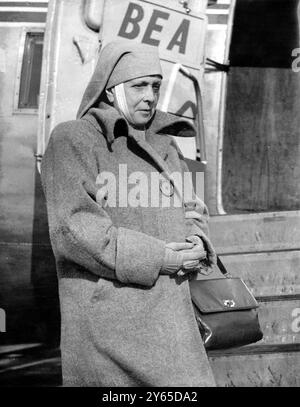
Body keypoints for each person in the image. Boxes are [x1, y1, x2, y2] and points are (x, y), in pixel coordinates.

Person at [41, 40, 217, 387]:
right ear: (110, 89)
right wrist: (161, 257)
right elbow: (75, 231)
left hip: (174, 326)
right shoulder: (73, 140)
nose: (150, 96)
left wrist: (199, 242)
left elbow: (193, 211)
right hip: (111, 330)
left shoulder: (166, 144)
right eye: (139, 85)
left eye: (156, 85)